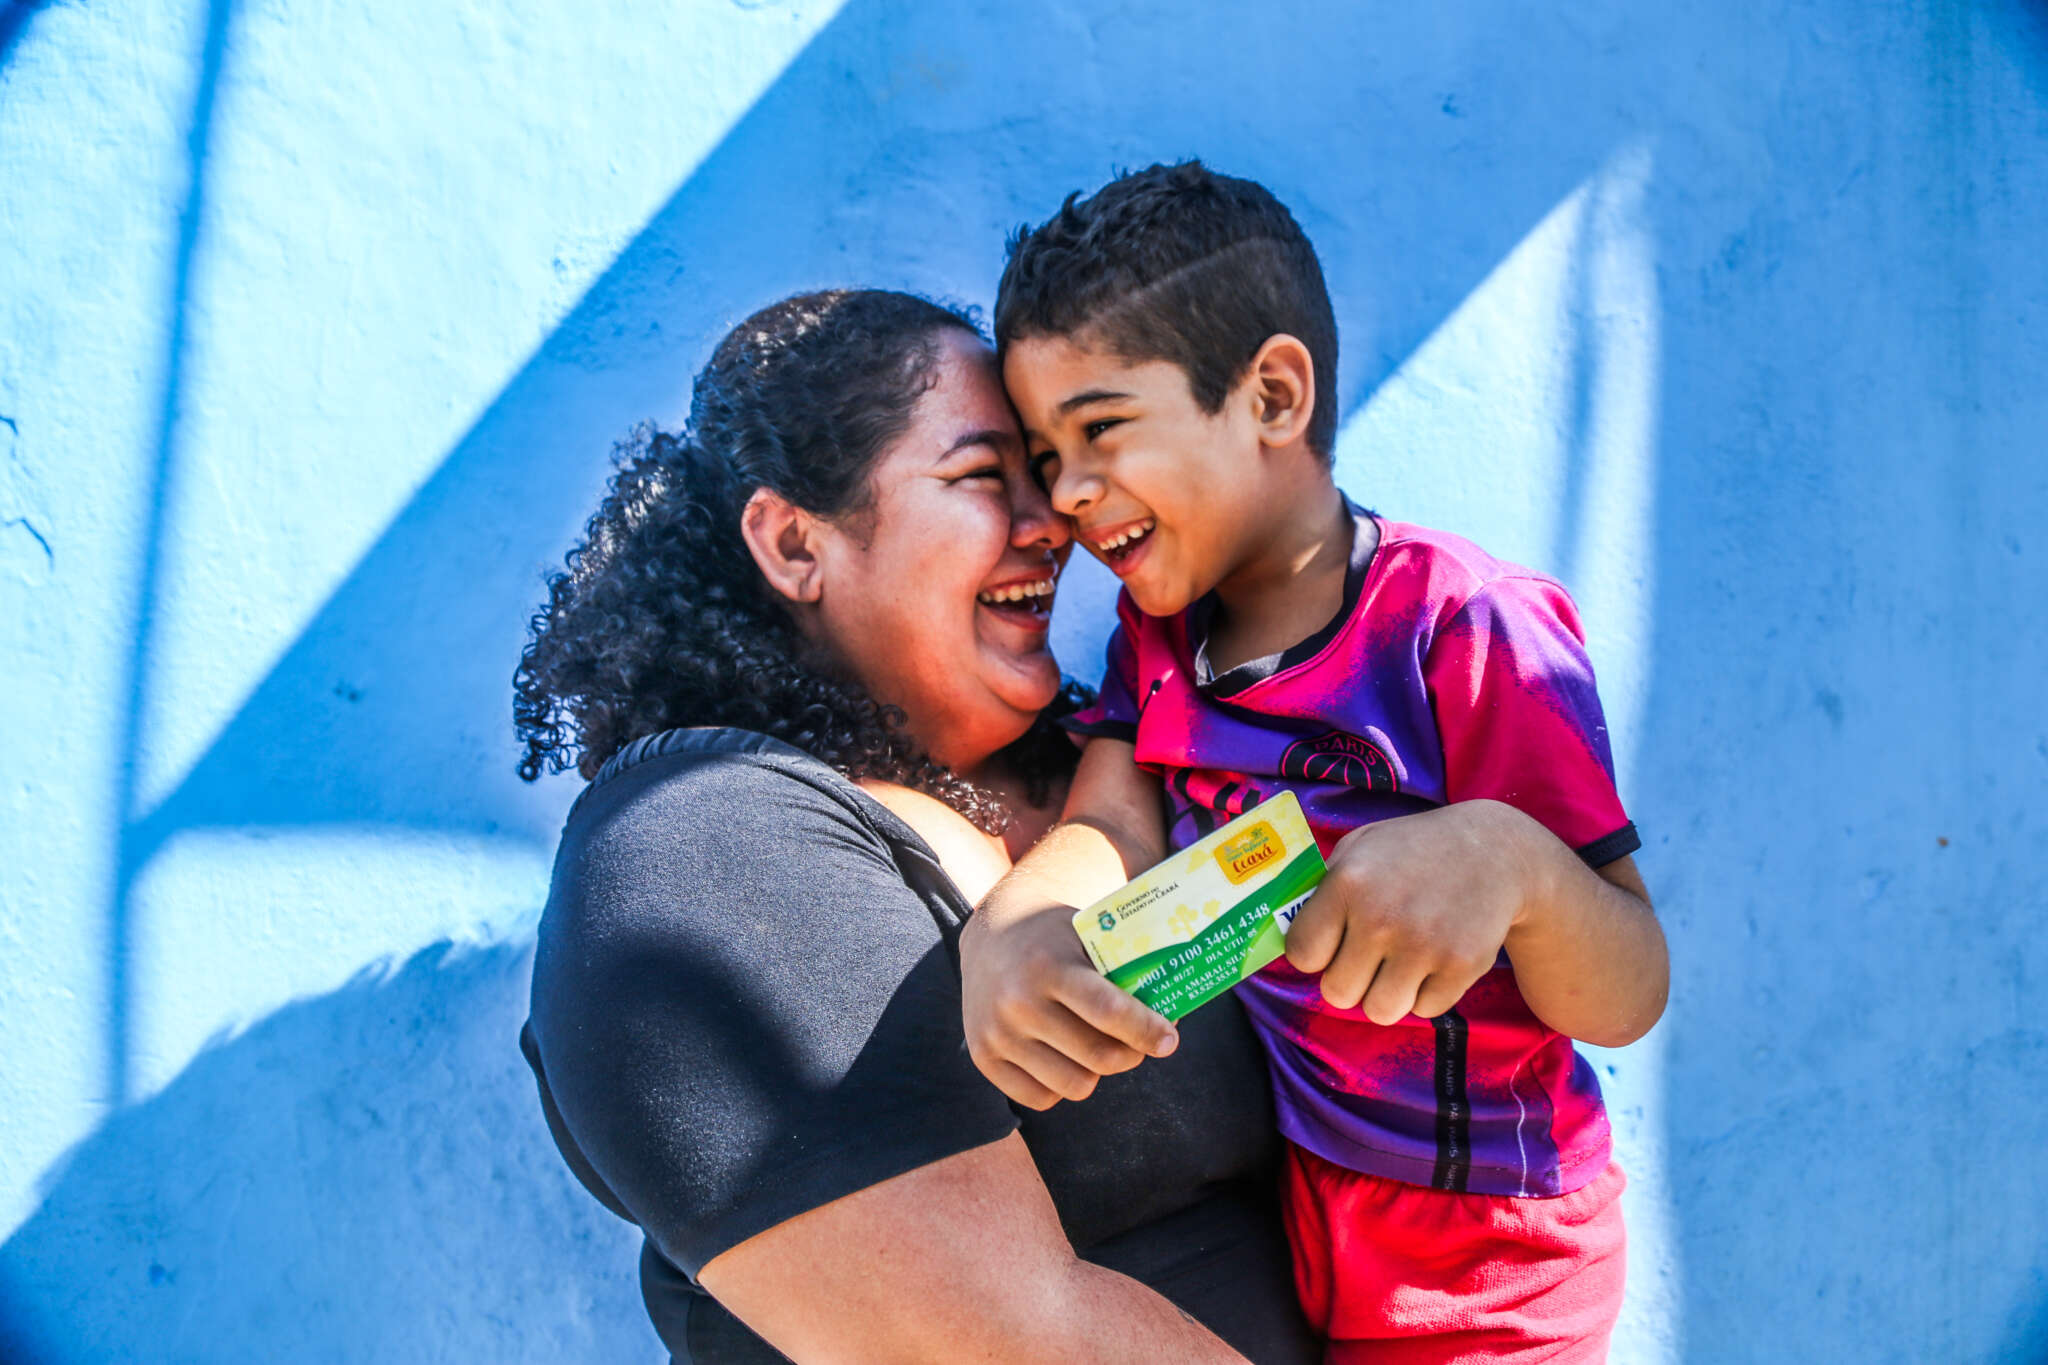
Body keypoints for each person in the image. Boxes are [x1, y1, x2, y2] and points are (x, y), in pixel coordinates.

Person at [513, 289, 1321, 1364]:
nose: (1054, 523)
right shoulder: (698, 848)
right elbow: (1006, 1345)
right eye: (984, 478)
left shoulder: (1121, 765)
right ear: (794, 543)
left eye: (1045, 476)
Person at [962, 163, 1670, 1363]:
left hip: (1488, 1252)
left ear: (1272, 396)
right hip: (1296, 1209)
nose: (1069, 496)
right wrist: (1012, 934)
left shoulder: (1463, 627)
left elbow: (1630, 985)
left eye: (1098, 432)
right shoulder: (1158, 638)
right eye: (1042, 454)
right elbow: (1115, 823)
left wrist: (1511, 864)